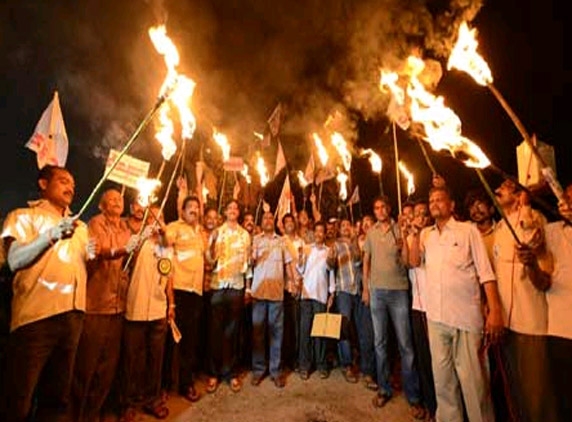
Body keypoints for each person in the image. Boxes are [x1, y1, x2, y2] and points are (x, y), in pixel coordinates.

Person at [1, 165, 96, 422]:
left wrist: (94, 254)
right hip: (36, 318)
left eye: (73, 185)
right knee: (19, 398)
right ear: (43, 184)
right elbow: (14, 260)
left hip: (73, 317)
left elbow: (85, 264)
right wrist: (51, 235)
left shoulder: (81, 228)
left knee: (57, 399)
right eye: (63, 181)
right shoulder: (22, 216)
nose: (70, 188)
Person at [409, 186, 502, 422]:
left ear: (451, 205)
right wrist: (413, 232)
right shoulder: (427, 235)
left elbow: (486, 273)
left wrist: (495, 312)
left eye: (440, 199)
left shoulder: (467, 231)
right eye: (431, 200)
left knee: (474, 385)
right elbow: (413, 262)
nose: (434, 203)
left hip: (465, 320)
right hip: (436, 320)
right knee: (443, 384)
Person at [72, 188, 139, 422]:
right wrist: (121, 250)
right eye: (111, 199)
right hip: (97, 305)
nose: (117, 202)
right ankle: (78, 415)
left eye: (120, 199)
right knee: (86, 367)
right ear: (102, 205)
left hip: (118, 306)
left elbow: (132, 256)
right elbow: (97, 250)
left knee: (107, 368)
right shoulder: (95, 223)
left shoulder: (126, 229)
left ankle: (94, 413)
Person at [492, 179, 556, 422]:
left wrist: (526, 205)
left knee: (537, 391)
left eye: (507, 186)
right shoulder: (500, 226)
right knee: (515, 389)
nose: (499, 188)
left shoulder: (533, 219)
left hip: (529, 321)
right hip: (506, 322)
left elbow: (539, 260)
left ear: (519, 193)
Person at [362, 196, 424, 419]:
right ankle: (384, 388)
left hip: (398, 291)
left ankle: (413, 396)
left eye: (382, 207)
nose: (379, 211)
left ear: (389, 209)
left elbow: (409, 262)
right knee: (380, 343)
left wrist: (402, 248)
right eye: (376, 208)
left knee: (405, 345)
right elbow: (366, 261)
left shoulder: (401, 230)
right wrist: (366, 289)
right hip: (377, 292)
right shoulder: (371, 232)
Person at [121, 206, 174, 421]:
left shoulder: (164, 248)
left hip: (158, 310)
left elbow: (168, 276)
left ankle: (152, 399)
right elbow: (126, 254)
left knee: (155, 359)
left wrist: (171, 305)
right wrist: (144, 233)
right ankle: (129, 402)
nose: (156, 221)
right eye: (152, 217)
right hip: (135, 308)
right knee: (132, 359)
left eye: (160, 217)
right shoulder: (136, 242)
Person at [206, 200, 251, 393]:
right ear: (224, 212)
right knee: (216, 331)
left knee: (233, 333)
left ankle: (231, 373)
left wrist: (248, 288)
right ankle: (214, 373)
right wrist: (212, 243)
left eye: (235, 208)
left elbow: (247, 264)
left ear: (238, 212)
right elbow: (209, 259)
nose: (233, 210)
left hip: (236, 286)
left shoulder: (244, 234)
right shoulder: (217, 231)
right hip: (218, 286)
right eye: (229, 208)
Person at [164, 196, 205, 402]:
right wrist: (170, 299)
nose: (194, 210)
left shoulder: (200, 232)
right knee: (172, 340)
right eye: (190, 207)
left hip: (196, 292)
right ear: (182, 210)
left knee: (190, 341)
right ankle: (165, 386)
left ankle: (185, 384)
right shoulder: (174, 227)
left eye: (197, 207)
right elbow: (165, 248)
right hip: (178, 290)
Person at [248, 211, 294, 388]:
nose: (268, 220)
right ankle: (258, 370)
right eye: (265, 218)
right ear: (261, 222)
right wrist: (253, 258)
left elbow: (288, 263)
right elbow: (249, 264)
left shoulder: (281, 241)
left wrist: (295, 282)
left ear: (274, 222)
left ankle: (275, 371)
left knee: (277, 334)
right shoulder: (256, 240)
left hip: (276, 294)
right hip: (258, 293)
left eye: (270, 218)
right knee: (258, 334)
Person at [403, 200, 437, 420]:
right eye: (417, 213)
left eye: (424, 214)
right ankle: (430, 404)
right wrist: (412, 234)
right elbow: (411, 262)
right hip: (418, 306)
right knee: (424, 359)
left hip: (437, 306)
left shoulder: (435, 235)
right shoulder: (410, 237)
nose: (420, 217)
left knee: (440, 362)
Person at [545, 183, 572, 421]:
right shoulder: (551, 230)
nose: (567, 203)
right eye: (565, 198)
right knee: (564, 397)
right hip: (560, 329)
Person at [297, 221, 335, 380]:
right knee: (305, 331)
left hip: (321, 296)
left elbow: (331, 272)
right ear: (313, 233)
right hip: (306, 295)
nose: (319, 234)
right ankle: (304, 366)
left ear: (325, 234)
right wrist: (300, 257)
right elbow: (300, 269)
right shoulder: (307, 249)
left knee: (320, 332)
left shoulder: (329, 251)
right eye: (317, 231)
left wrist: (332, 293)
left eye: (322, 231)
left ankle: (321, 365)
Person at [327, 218, 361, 383]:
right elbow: (330, 266)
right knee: (344, 328)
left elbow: (359, 261)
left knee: (359, 328)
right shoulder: (336, 245)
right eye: (343, 226)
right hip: (343, 290)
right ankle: (346, 364)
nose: (346, 227)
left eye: (349, 225)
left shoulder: (357, 243)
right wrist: (331, 259)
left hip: (359, 290)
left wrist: (354, 243)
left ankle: (360, 361)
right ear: (339, 229)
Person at [355, 215, 377, 391]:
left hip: (384, 290)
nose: (367, 225)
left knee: (382, 336)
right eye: (364, 223)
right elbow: (360, 264)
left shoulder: (380, 238)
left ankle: (382, 372)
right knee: (367, 334)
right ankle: (368, 371)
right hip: (367, 291)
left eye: (370, 222)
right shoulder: (360, 242)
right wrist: (365, 290)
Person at [281, 213, 304, 372]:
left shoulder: (301, 242)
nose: (289, 223)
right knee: (284, 325)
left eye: (291, 221)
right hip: (284, 288)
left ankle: (295, 359)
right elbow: (284, 263)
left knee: (296, 324)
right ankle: (285, 359)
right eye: (286, 222)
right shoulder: (281, 240)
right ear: (283, 225)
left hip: (299, 287)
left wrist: (299, 283)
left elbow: (304, 263)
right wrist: (292, 282)